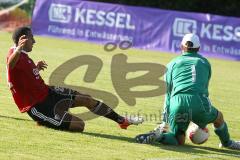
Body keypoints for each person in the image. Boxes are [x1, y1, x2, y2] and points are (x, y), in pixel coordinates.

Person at [6, 26, 143, 132]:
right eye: (32, 38)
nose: (34, 41)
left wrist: (36, 68)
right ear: (22, 39)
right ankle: (44, 120)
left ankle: (122, 121)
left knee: (87, 99)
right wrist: (18, 50)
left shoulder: (22, 54)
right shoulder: (14, 53)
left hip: (48, 93)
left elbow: (22, 75)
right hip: (38, 106)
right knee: (79, 125)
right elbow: (10, 65)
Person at [135, 33, 240, 150]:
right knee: (219, 117)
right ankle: (227, 143)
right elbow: (203, 90)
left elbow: (168, 94)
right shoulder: (205, 63)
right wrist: (201, 123)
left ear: (181, 46)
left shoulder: (171, 64)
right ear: (199, 48)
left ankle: (159, 136)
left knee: (178, 140)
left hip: (177, 103)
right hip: (199, 102)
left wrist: (164, 122)